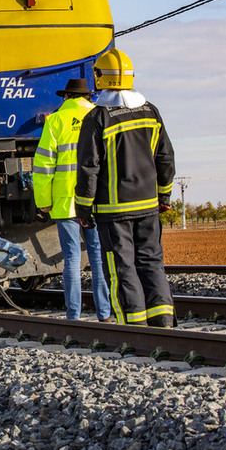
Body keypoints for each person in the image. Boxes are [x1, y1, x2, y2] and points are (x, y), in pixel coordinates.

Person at [75, 49, 176, 327]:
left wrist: (84, 207)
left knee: (122, 268)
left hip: (113, 210)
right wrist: (164, 194)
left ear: (100, 78)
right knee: (152, 262)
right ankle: (164, 321)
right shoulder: (150, 111)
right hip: (148, 206)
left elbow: (88, 167)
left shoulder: (98, 118)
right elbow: (165, 157)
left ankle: (134, 326)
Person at [33, 78, 111, 322]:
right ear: (87, 96)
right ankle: (105, 314)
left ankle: (73, 315)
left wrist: (43, 200)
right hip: (96, 200)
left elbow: (44, 165)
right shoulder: (101, 117)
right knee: (98, 258)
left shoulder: (56, 121)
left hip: (65, 201)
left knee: (72, 259)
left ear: (66, 97)